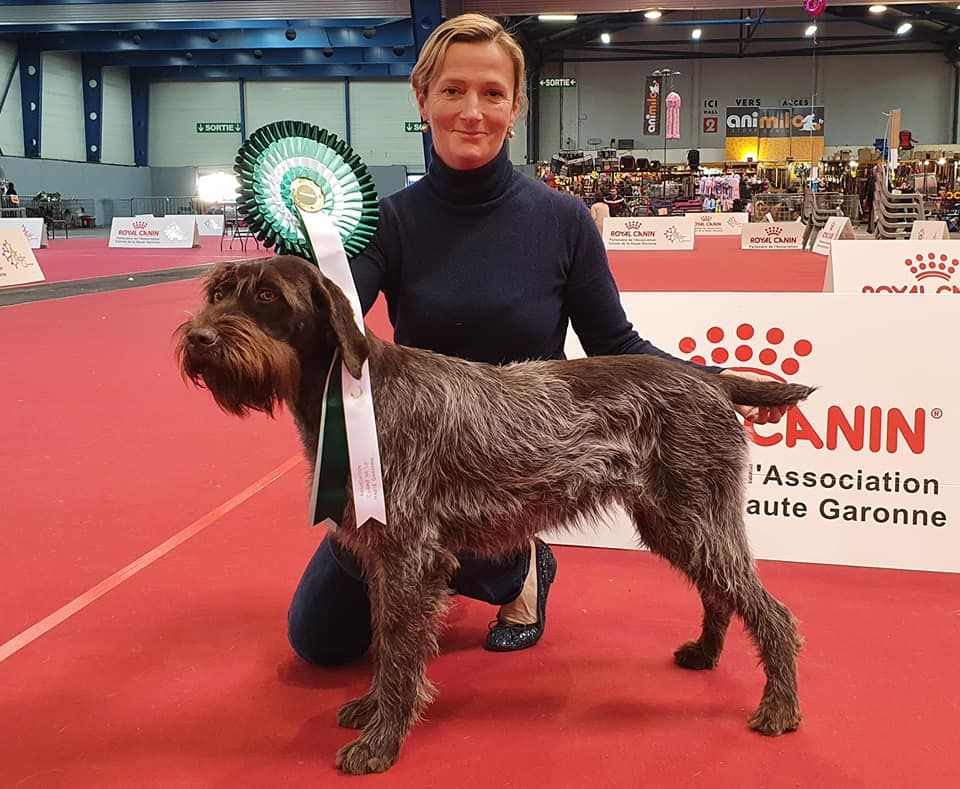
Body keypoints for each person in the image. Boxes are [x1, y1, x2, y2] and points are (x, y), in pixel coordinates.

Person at [287, 13, 789, 668]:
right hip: (415, 467)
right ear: (422, 99)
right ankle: (459, 568)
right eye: (453, 90)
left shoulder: (562, 219)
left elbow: (615, 341)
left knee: (467, 556)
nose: (472, 111)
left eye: (492, 93)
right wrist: (307, 260)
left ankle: (522, 565)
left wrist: (718, 383)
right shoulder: (388, 221)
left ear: (517, 106)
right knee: (319, 639)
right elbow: (331, 320)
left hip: (515, 474)